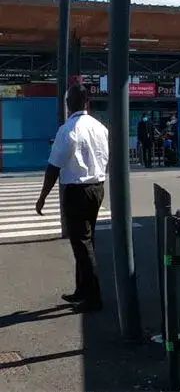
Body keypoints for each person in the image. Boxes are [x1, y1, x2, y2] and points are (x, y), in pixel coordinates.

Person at [35, 83, 109, 313]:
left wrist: (42, 197)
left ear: (68, 104)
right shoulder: (100, 127)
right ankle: (82, 289)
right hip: (97, 188)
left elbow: (53, 166)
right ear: (87, 102)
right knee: (87, 240)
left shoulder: (68, 130)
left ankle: (94, 297)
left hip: (76, 191)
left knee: (81, 244)